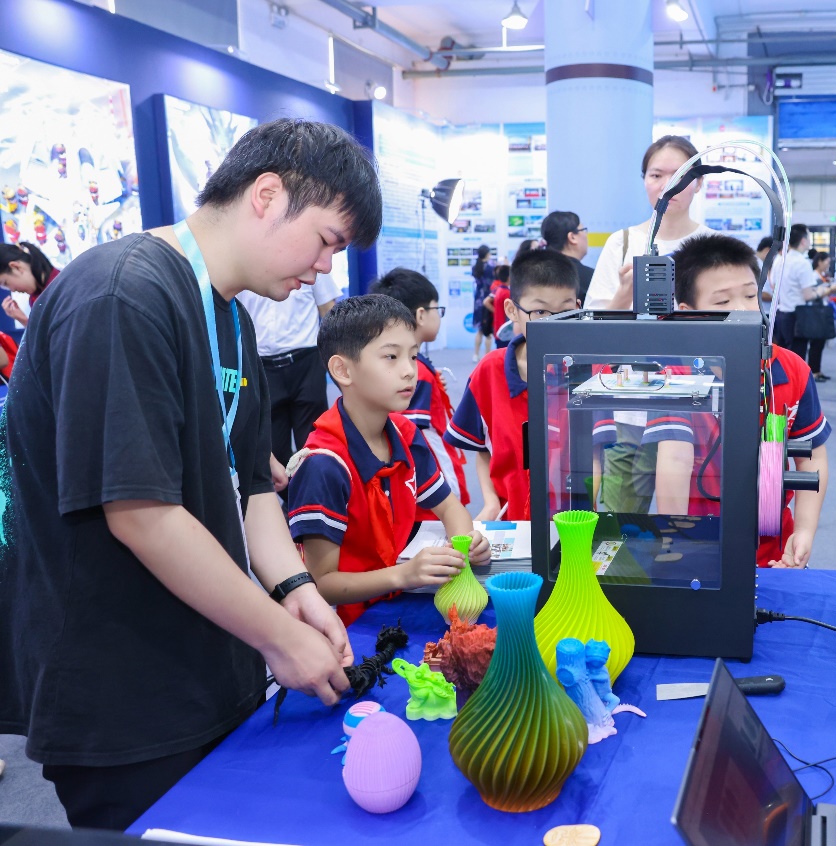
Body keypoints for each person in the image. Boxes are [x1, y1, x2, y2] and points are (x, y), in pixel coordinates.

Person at [0, 118, 370, 829]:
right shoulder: (122, 294)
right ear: (268, 194)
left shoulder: (231, 318)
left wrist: (295, 591)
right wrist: (278, 634)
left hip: (212, 662)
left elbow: (253, 486)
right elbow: (141, 514)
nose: (325, 267)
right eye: (326, 240)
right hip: (122, 691)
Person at [286, 295, 490, 626]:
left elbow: (450, 508)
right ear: (342, 370)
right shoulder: (323, 465)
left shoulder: (406, 434)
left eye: (414, 356)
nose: (410, 371)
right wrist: (402, 575)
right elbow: (321, 584)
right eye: (391, 357)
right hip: (348, 626)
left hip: (402, 603)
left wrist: (464, 545)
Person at [660, 233, 830, 567]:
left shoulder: (791, 370)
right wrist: (676, 542)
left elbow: (812, 457)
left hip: (775, 546)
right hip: (697, 544)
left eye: (751, 295)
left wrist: (804, 531)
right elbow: (675, 458)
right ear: (688, 313)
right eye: (722, 301)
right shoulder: (675, 375)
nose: (742, 309)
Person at [446, 249, 579, 520]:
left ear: (578, 307)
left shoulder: (589, 372)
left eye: (566, 312)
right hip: (510, 522)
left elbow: (597, 456)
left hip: (574, 523)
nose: (554, 323)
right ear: (512, 310)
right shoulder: (489, 372)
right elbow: (483, 449)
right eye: (540, 311)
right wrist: (491, 502)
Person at [368, 268, 470, 506]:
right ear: (421, 315)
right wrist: (447, 493)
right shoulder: (416, 373)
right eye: (438, 309)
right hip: (430, 492)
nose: (439, 316)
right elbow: (419, 439)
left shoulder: (410, 368)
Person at [237, 267, 339, 494]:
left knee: (312, 441)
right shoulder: (249, 265)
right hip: (263, 366)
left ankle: (316, 500)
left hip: (306, 361)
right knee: (274, 448)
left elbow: (328, 311)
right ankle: (293, 500)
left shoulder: (312, 263)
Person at [585, 136, 714, 310]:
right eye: (656, 175)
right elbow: (594, 321)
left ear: (698, 183)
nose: (668, 185)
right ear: (644, 180)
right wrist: (625, 294)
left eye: (681, 175)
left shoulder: (717, 245)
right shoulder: (621, 243)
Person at [770, 223, 836, 350]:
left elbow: (773, 286)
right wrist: (823, 291)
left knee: (783, 356)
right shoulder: (802, 263)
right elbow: (808, 296)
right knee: (797, 356)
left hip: (781, 315)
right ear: (803, 241)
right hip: (797, 317)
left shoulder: (780, 260)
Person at [0, 240, 59, 328]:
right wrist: (23, 320)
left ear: (16, 267)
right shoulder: (35, 299)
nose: (12, 290)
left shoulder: (62, 288)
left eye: (6, 283)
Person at [798, 250, 836, 382]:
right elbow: (813, 294)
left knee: (819, 343)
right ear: (819, 262)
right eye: (827, 262)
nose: (828, 265)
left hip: (821, 311)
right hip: (815, 312)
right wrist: (829, 290)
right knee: (815, 343)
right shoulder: (813, 276)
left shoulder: (822, 275)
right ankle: (813, 372)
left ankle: (817, 370)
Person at [541, 210, 593, 304]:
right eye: (583, 230)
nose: (586, 235)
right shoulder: (591, 278)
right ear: (572, 237)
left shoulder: (533, 272)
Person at [470, 245, 495, 362]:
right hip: (488, 300)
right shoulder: (490, 268)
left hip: (478, 300)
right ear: (487, 254)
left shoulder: (475, 267)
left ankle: (475, 355)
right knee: (488, 330)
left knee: (480, 329)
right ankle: (487, 356)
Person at [487, 264, 513, 348]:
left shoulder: (499, 289)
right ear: (509, 277)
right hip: (505, 332)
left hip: (498, 329)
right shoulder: (506, 293)